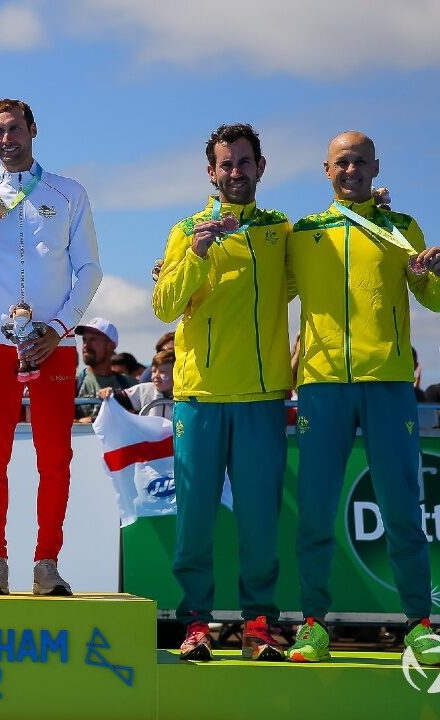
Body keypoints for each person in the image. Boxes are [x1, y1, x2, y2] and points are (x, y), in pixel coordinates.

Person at [286, 131, 440, 666]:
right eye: (340, 162)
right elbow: (260, 284)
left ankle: (419, 623)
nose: (350, 169)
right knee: (315, 513)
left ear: (375, 167)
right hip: (322, 386)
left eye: (359, 161)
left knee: (402, 507)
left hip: (389, 384)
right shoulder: (303, 233)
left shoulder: (402, 228)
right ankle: (312, 624)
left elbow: (432, 297)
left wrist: (435, 276)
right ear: (324, 170)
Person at [0, 98, 101, 596]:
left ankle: (47, 562)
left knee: (54, 458)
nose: (6, 139)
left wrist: (58, 328)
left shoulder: (68, 192)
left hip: (52, 344)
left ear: (33, 130)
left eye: (14, 129)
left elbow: (90, 271)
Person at [153, 123, 291, 662]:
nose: (235, 171)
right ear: (211, 173)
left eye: (244, 162)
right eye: (225, 164)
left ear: (261, 166)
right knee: (194, 526)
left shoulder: (282, 230)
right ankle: (196, 625)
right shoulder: (187, 228)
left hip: (260, 400)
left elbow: (312, 278)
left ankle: (259, 626)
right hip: (200, 399)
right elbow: (164, 305)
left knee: (259, 524)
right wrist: (194, 255)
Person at [74, 318, 135, 422]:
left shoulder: (130, 385)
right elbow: (59, 421)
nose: (85, 346)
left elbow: (139, 419)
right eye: (84, 339)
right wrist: (79, 422)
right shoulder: (74, 383)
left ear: (110, 346)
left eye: (93, 339)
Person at [98, 349, 175, 419]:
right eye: (154, 371)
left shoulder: (185, 397)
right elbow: (119, 398)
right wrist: (109, 392)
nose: (156, 376)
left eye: (162, 372)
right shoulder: (144, 390)